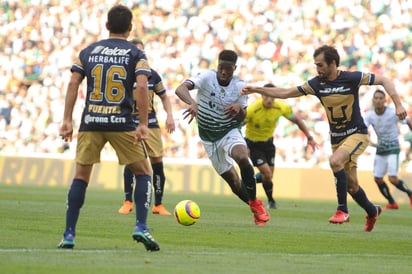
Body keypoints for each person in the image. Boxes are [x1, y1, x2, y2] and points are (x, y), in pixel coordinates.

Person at [242, 45, 407, 232]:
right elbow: (286, 93)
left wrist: (398, 104)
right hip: (336, 139)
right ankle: (372, 210)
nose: (317, 69)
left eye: (320, 65)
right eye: (316, 65)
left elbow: (384, 80)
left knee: (335, 162)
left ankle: (342, 210)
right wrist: (257, 89)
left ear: (333, 63)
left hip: (357, 134)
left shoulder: (351, 78)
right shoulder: (316, 84)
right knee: (352, 187)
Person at [57, 5, 159, 251]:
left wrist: (67, 119)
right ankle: (141, 227)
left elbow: (73, 82)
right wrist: (143, 124)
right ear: (130, 28)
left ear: (106, 26)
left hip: (91, 120)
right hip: (121, 121)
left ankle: (69, 234)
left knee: (81, 177)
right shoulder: (136, 53)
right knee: (144, 173)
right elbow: (143, 87)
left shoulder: (89, 51)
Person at [175, 49, 270, 226]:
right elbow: (180, 89)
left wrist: (239, 110)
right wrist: (192, 103)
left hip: (228, 131)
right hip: (209, 139)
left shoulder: (240, 86)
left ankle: (256, 202)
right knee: (234, 182)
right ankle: (253, 206)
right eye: (221, 68)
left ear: (235, 68)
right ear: (217, 66)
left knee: (242, 157)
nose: (224, 72)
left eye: (228, 68)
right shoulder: (205, 77)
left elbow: (243, 118)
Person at [118, 38, 175, 216]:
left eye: (140, 51)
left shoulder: (152, 75)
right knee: (132, 162)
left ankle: (158, 204)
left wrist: (170, 116)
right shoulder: (122, 75)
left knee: (157, 163)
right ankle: (128, 201)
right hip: (130, 124)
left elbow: (164, 96)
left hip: (151, 124)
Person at [244, 83, 318, 209]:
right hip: (253, 144)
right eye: (267, 96)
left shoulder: (281, 108)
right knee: (267, 173)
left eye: (272, 96)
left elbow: (298, 121)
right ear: (262, 95)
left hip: (268, 143)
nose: (269, 99)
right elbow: (238, 125)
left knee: (269, 176)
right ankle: (271, 201)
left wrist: (309, 137)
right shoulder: (252, 109)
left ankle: (248, 181)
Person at [363, 89, 412, 209]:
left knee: (392, 179)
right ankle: (392, 202)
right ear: (373, 100)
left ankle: (410, 195)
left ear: (385, 100)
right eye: (376, 98)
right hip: (381, 150)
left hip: (393, 148)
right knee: (378, 179)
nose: (378, 101)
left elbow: (407, 121)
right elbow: (363, 129)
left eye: (381, 98)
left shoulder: (392, 112)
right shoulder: (369, 115)